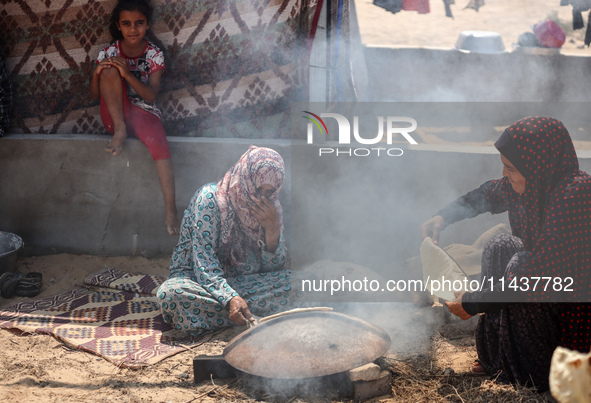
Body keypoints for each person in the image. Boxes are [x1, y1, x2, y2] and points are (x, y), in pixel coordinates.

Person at [421, 117, 591, 391]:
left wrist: (473, 302)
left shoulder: (574, 194)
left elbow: (536, 278)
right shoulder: (532, 184)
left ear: (537, 166)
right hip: (541, 291)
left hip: (572, 316)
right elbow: (488, 194)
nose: (504, 174)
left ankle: (533, 374)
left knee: (521, 264)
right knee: (499, 245)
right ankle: (499, 359)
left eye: (511, 168)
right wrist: (443, 216)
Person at [157, 146, 307, 336]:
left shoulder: (272, 210)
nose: (260, 197)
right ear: (244, 177)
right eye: (257, 187)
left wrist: (272, 231)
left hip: (246, 284)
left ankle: (224, 318)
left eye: (269, 192)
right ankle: (256, 315)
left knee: (303, 283)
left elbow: (276, 271)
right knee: (170, 294)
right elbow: (204, 265)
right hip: (199, 282)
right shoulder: (209, 199)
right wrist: (231, 298)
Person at [89, 0, 179, 235]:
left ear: (147, 24)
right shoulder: (108, 52)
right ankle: (120, 132)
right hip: (115, 116)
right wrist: (97, 74)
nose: (133, 29)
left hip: (143, 112)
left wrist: (127, 75)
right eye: (126, 24)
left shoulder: (153, 54)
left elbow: (150, 96)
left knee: (160, 144)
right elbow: (94, 95)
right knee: (108, 69)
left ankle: (171, 209)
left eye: (139, 23)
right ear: (118, 26)